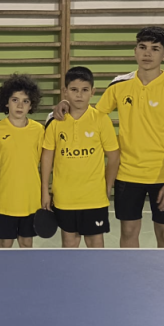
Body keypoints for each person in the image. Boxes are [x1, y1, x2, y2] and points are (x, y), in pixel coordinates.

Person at [52, 27, 164, 248]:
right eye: (143, 47)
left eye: (155, 49)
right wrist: (66, 102)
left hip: (163, 175)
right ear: (135, 51)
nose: (147, 53)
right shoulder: (119, 85)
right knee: (128, 232)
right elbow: (91, 113)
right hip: (128, 173)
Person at [41, 67, 119, 248]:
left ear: (92, 92)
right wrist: (45, 190)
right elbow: (47, 157)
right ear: (65, 91)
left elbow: (114, 157)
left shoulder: (101, 119)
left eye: (85, 90)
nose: (79, 95)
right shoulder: (55, 121)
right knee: (69, 243)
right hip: (64, 197)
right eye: (74, 90)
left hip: (94, 197)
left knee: (95, 243)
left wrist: (107, 186)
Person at [0, 74, 44, 249]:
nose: (20, 105)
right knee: (5, 243)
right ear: (6, 102)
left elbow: (40, 162)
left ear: (31, 105)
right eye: (15, 100)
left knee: (26, 243)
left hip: (31, 199)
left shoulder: (39, 130)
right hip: (6, 200)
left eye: (25, 101)